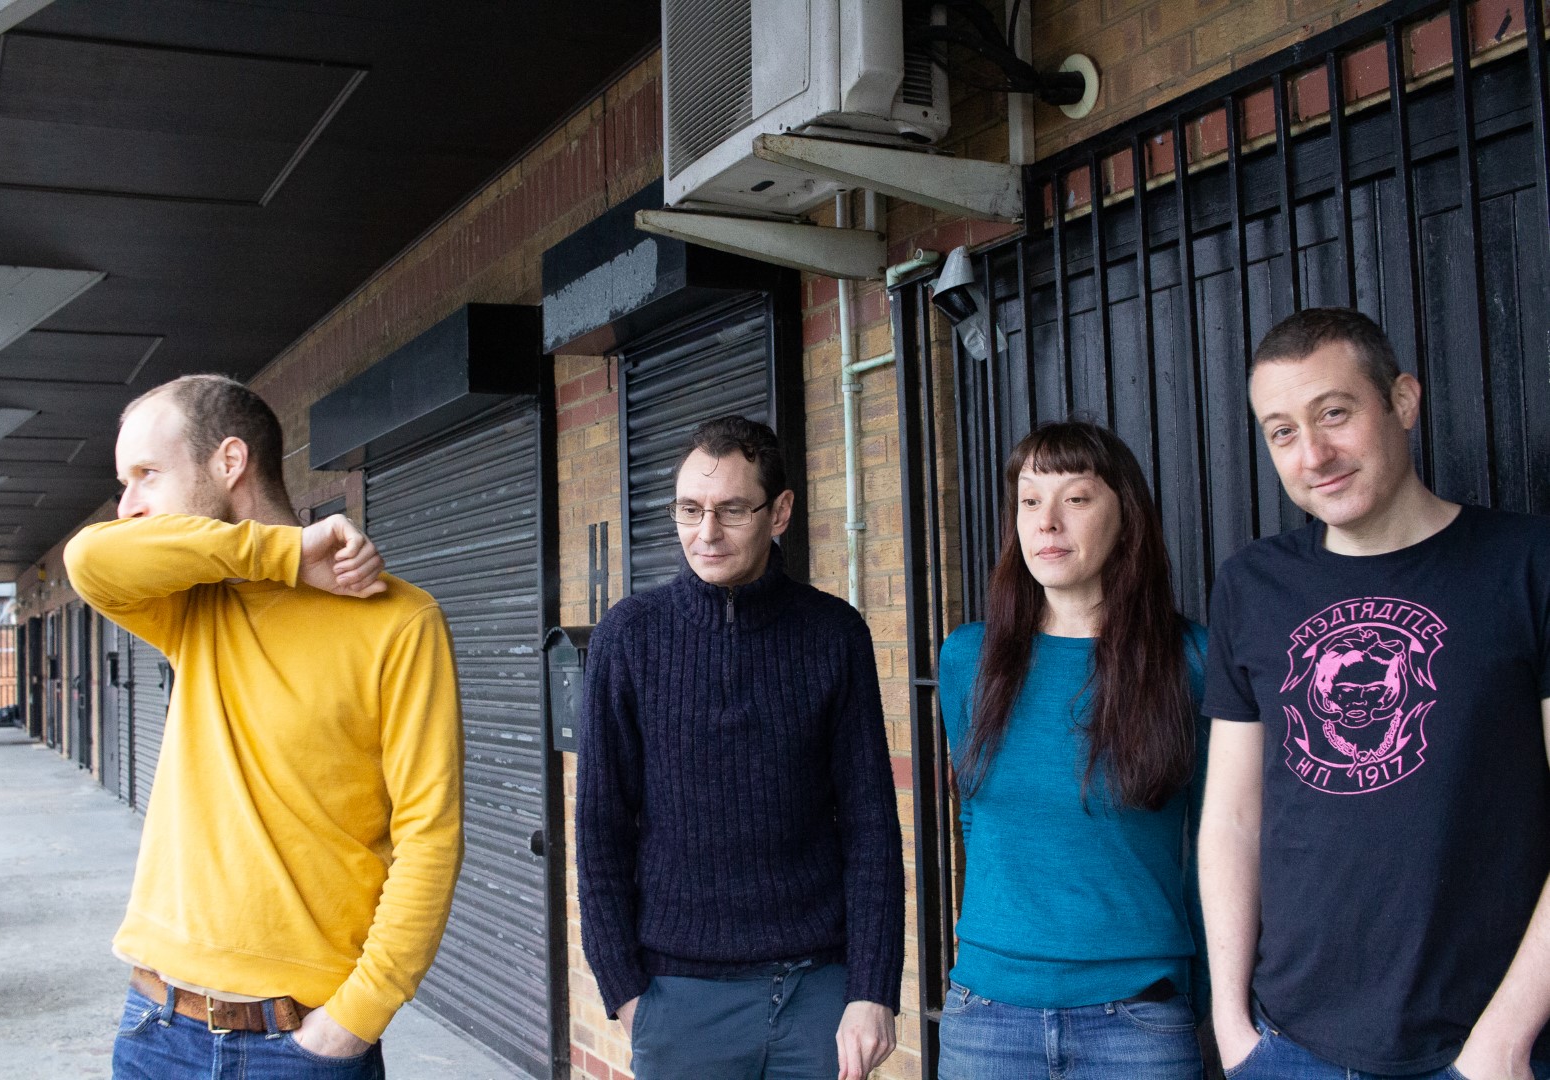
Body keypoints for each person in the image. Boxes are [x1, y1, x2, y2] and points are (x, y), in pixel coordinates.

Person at [64, 374, 464, 1079]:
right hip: (157, 1029)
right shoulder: (193, 607)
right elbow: (87, 559)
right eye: (124, 484)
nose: (128, 506)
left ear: (230, 462)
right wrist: (283, 555)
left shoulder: (400, 621)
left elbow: (429, 836)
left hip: (303, 1042)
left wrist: (354, 1021)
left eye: (147, 475)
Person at [1199, 307, 1550, 1079]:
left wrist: (1506, 1041)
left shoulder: (1529, 565)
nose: (1313, 454)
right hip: (1287, 1048)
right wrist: (1231, 1024)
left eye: (1334, 413)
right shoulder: (1252, 586)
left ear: (1403, 401)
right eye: (1282, 431)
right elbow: (1232, 816)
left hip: (1485, 1052)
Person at [575, 415, 905, 1080]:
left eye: (731, 510)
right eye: (689, 509)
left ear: (779, 512)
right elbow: (600, 829)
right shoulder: (628, 638)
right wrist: (627, 995)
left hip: (817, 993)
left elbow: (870, 825)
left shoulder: (834, 634)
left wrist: (872, 989)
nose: (707, 532)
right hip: (678, 1000)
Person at [936, 420, 1208, 1080]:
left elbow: (1219, 841)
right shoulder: (969, 657)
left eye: (1076, 498)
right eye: (1030, 501)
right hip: (986, 1017)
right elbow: (974, 814)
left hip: (1139, 1017)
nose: (1047, 522)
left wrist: (1204, 999)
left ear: (1126, 514)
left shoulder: (1190, 659)